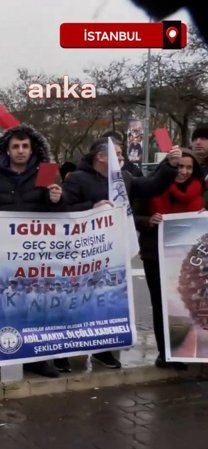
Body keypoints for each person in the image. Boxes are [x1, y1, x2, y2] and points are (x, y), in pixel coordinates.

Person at [63, 136, 181, 370]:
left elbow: (152, 186)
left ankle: (103, 350)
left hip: (113, 252)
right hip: (84, 254)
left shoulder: (124, 178)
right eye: (117, 153)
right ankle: (71, 351)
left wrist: (170, 166)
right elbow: (64, 209)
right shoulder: (77, 179)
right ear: (101, 156)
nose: (122, 157)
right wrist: (91, 208)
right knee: (81, 302)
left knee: (107, 303)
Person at [0, 124, 64, 380]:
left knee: (37, 305)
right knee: (1, 304)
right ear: (7, 150)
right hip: (2, 256)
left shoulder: (45, 173)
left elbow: (53, 211)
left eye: (25, 146)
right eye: (16, 146)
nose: (21, 151)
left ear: (32, 149)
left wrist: (57, 199)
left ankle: (37, 358)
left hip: (36, 256)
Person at [135, 153, 203, 370]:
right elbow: (133, 217)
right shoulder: (150, 189)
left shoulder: (201, 191)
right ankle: (166, 352)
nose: (183, 172)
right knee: (160, 304)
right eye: (179, 166)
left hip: (190, 260)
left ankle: (187, 350)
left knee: (187, 304)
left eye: (188, 168)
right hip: (155, 255)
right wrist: (148, 221)